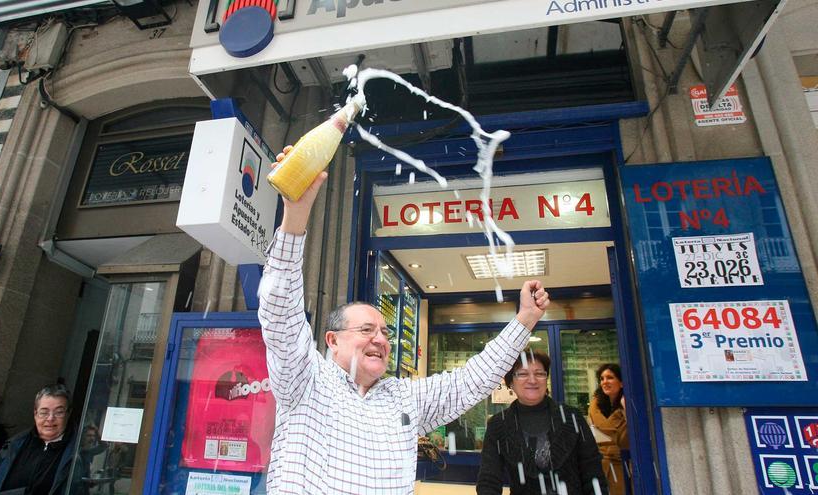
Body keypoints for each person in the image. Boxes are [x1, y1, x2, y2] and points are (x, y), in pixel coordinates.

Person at [258, 147, 551, 494]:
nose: (380, 340)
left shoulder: (403, 397)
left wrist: (525, 320)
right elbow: (279, 309)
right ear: (332, 340)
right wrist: (296, 214)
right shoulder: (304, 379)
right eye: (366, 330)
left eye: (384, 332)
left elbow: (472, 380)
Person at [477, 350, 607, 495]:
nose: (532, 380)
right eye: (523, 374)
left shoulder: (572, 417)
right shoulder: (498, 424)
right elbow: (489, 480)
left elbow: (593, 473)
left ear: (546, 379)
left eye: (539, 373)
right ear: (510, 382)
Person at [0, 384, 81, 495]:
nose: (50, 418)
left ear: (68, 413)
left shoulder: (76, 452)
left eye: (59, 412)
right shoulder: (14, 444)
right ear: (35, 414)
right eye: (44, 412)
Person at [588, 364, 629, 495]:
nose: (605, 382)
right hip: (600, 466)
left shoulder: (627, 404)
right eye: (602, 378)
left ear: (622, 383)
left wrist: (626, 409)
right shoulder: (595, 406)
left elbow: (631, 438)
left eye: (610, 378)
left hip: (624, 467)